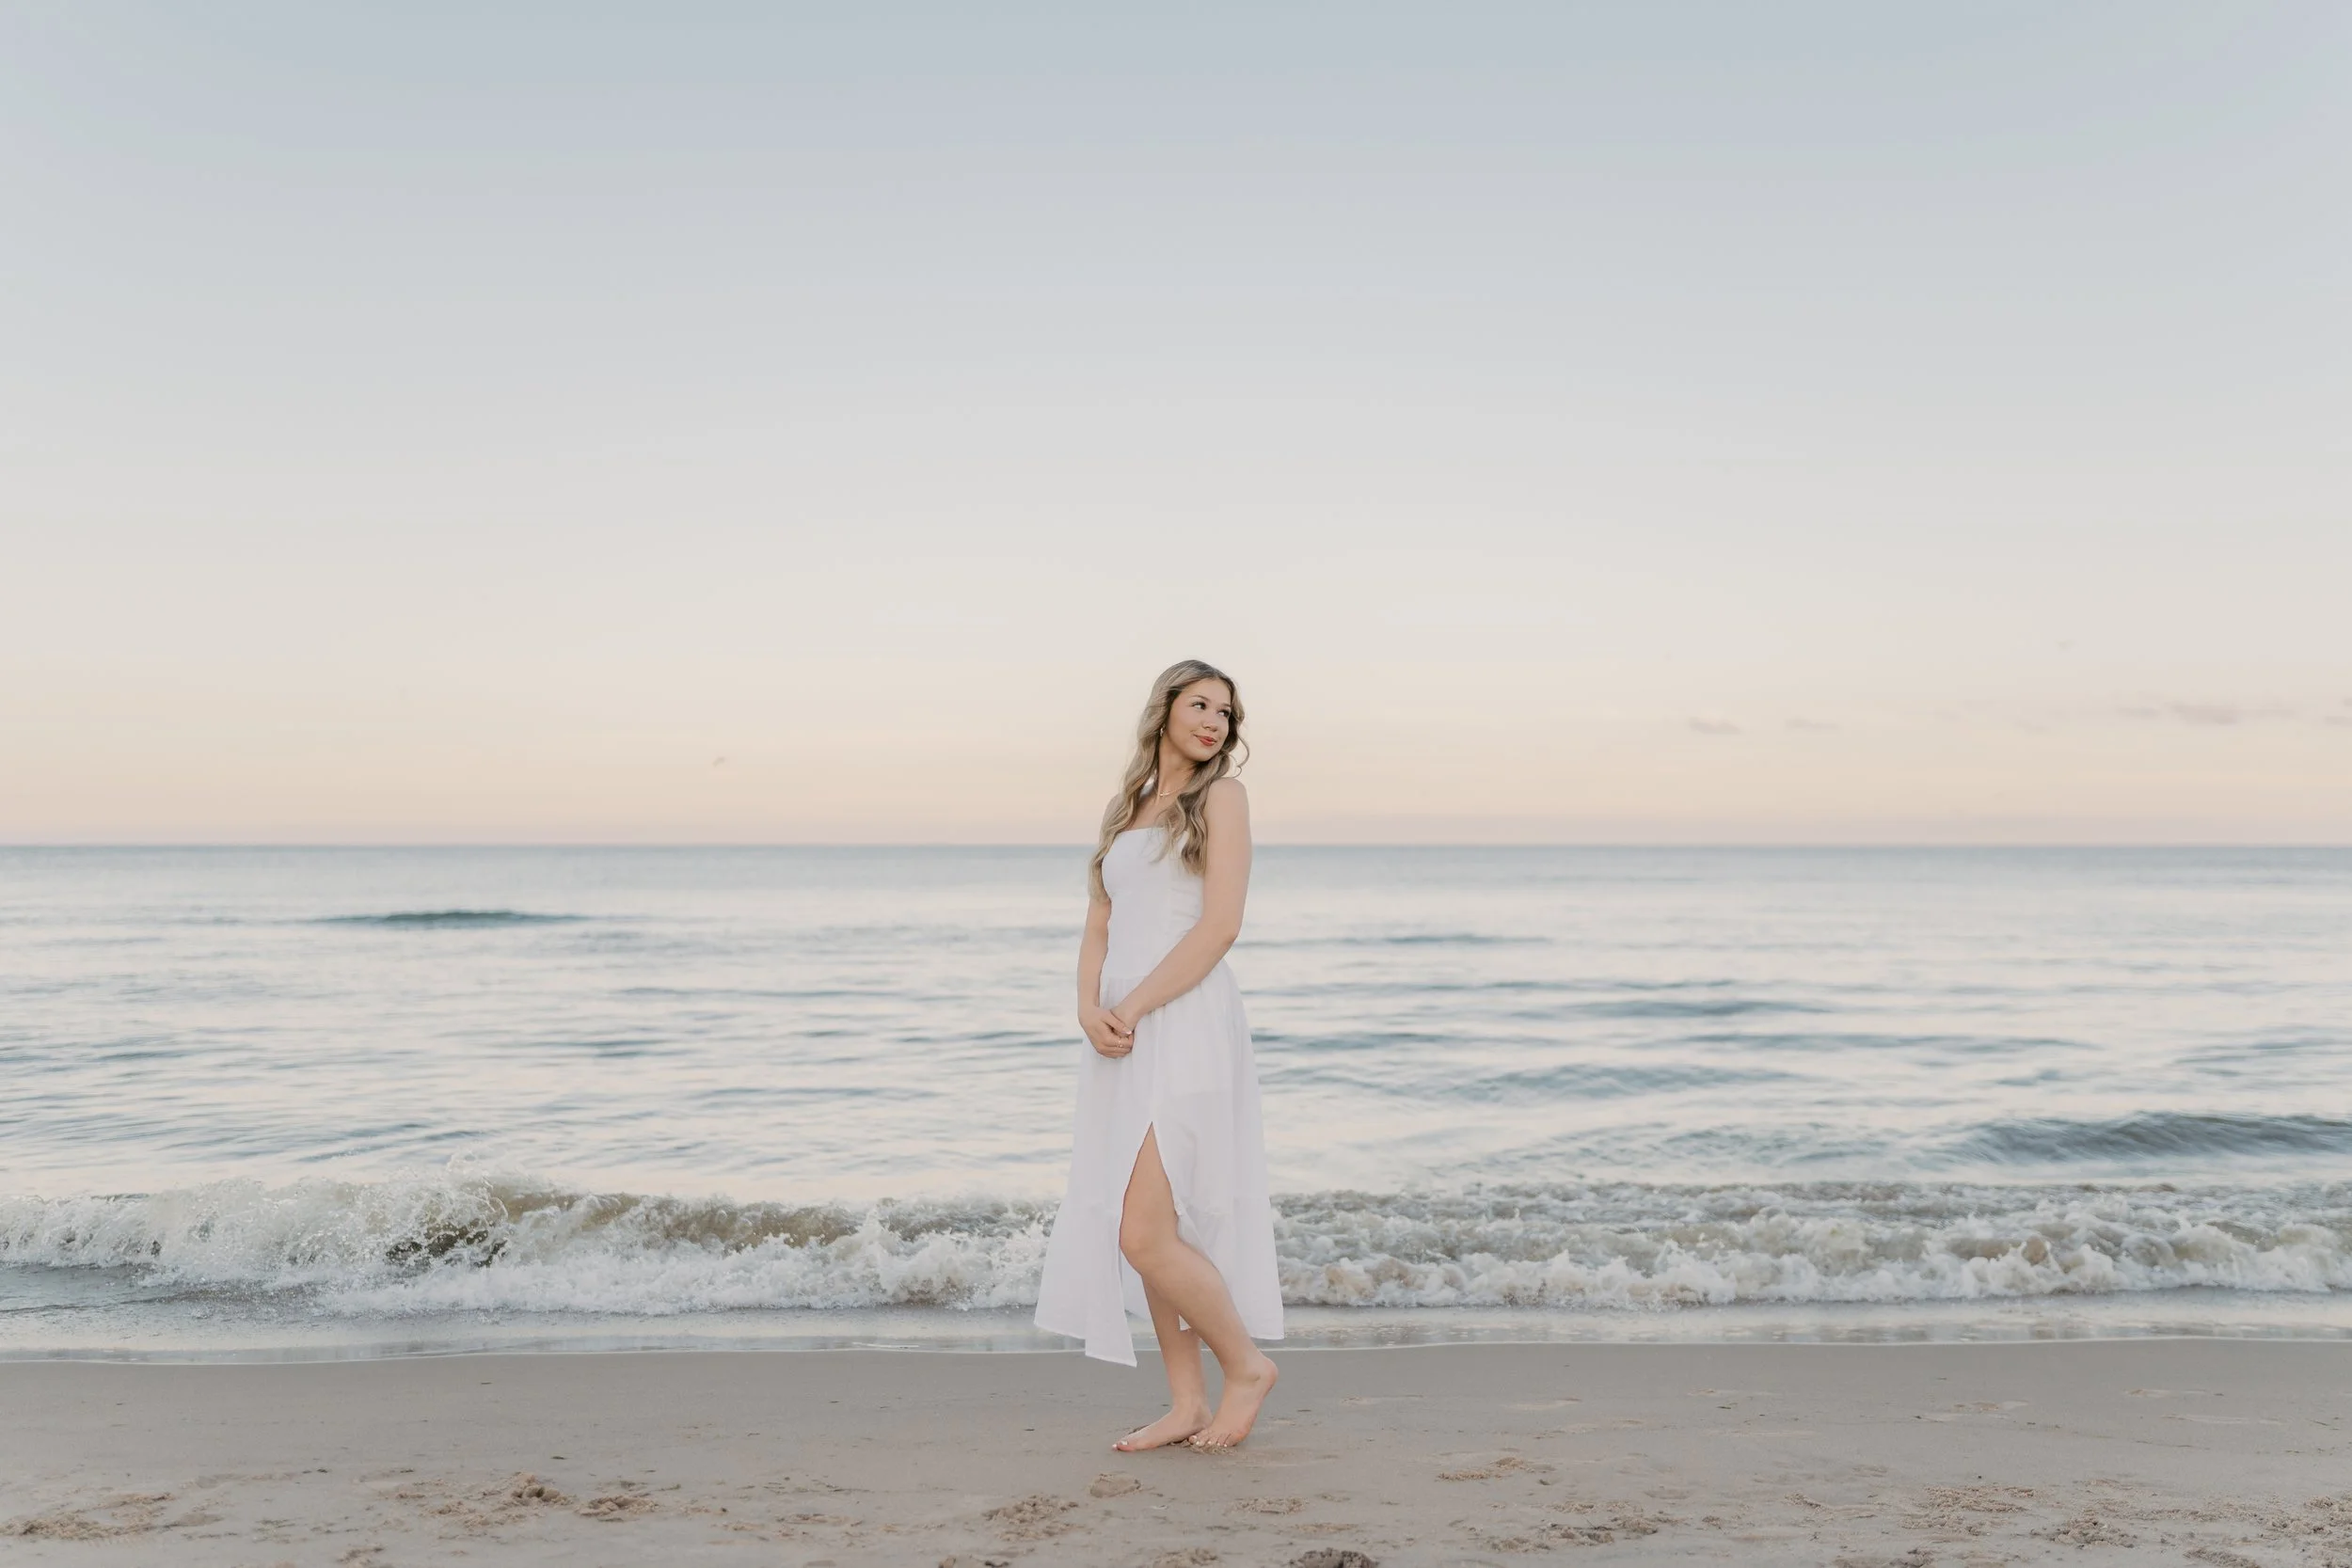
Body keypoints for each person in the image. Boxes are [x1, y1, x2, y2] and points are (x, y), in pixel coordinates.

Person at [1033, 658, 1284, 1450]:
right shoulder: (1127, 805)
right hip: (1120, 1030)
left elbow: (1220, 926)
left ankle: (1245, 1367)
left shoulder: (1223, 797)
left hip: (1185, 1020)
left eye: (1226, 712)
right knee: (1144, 1226)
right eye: (1200, 703)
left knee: (1144, 1231)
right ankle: (1187, 1401)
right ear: (1166, 707)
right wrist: (1087, 1007)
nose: (1214, 720)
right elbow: (1099, 924)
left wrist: (1133, 1005)